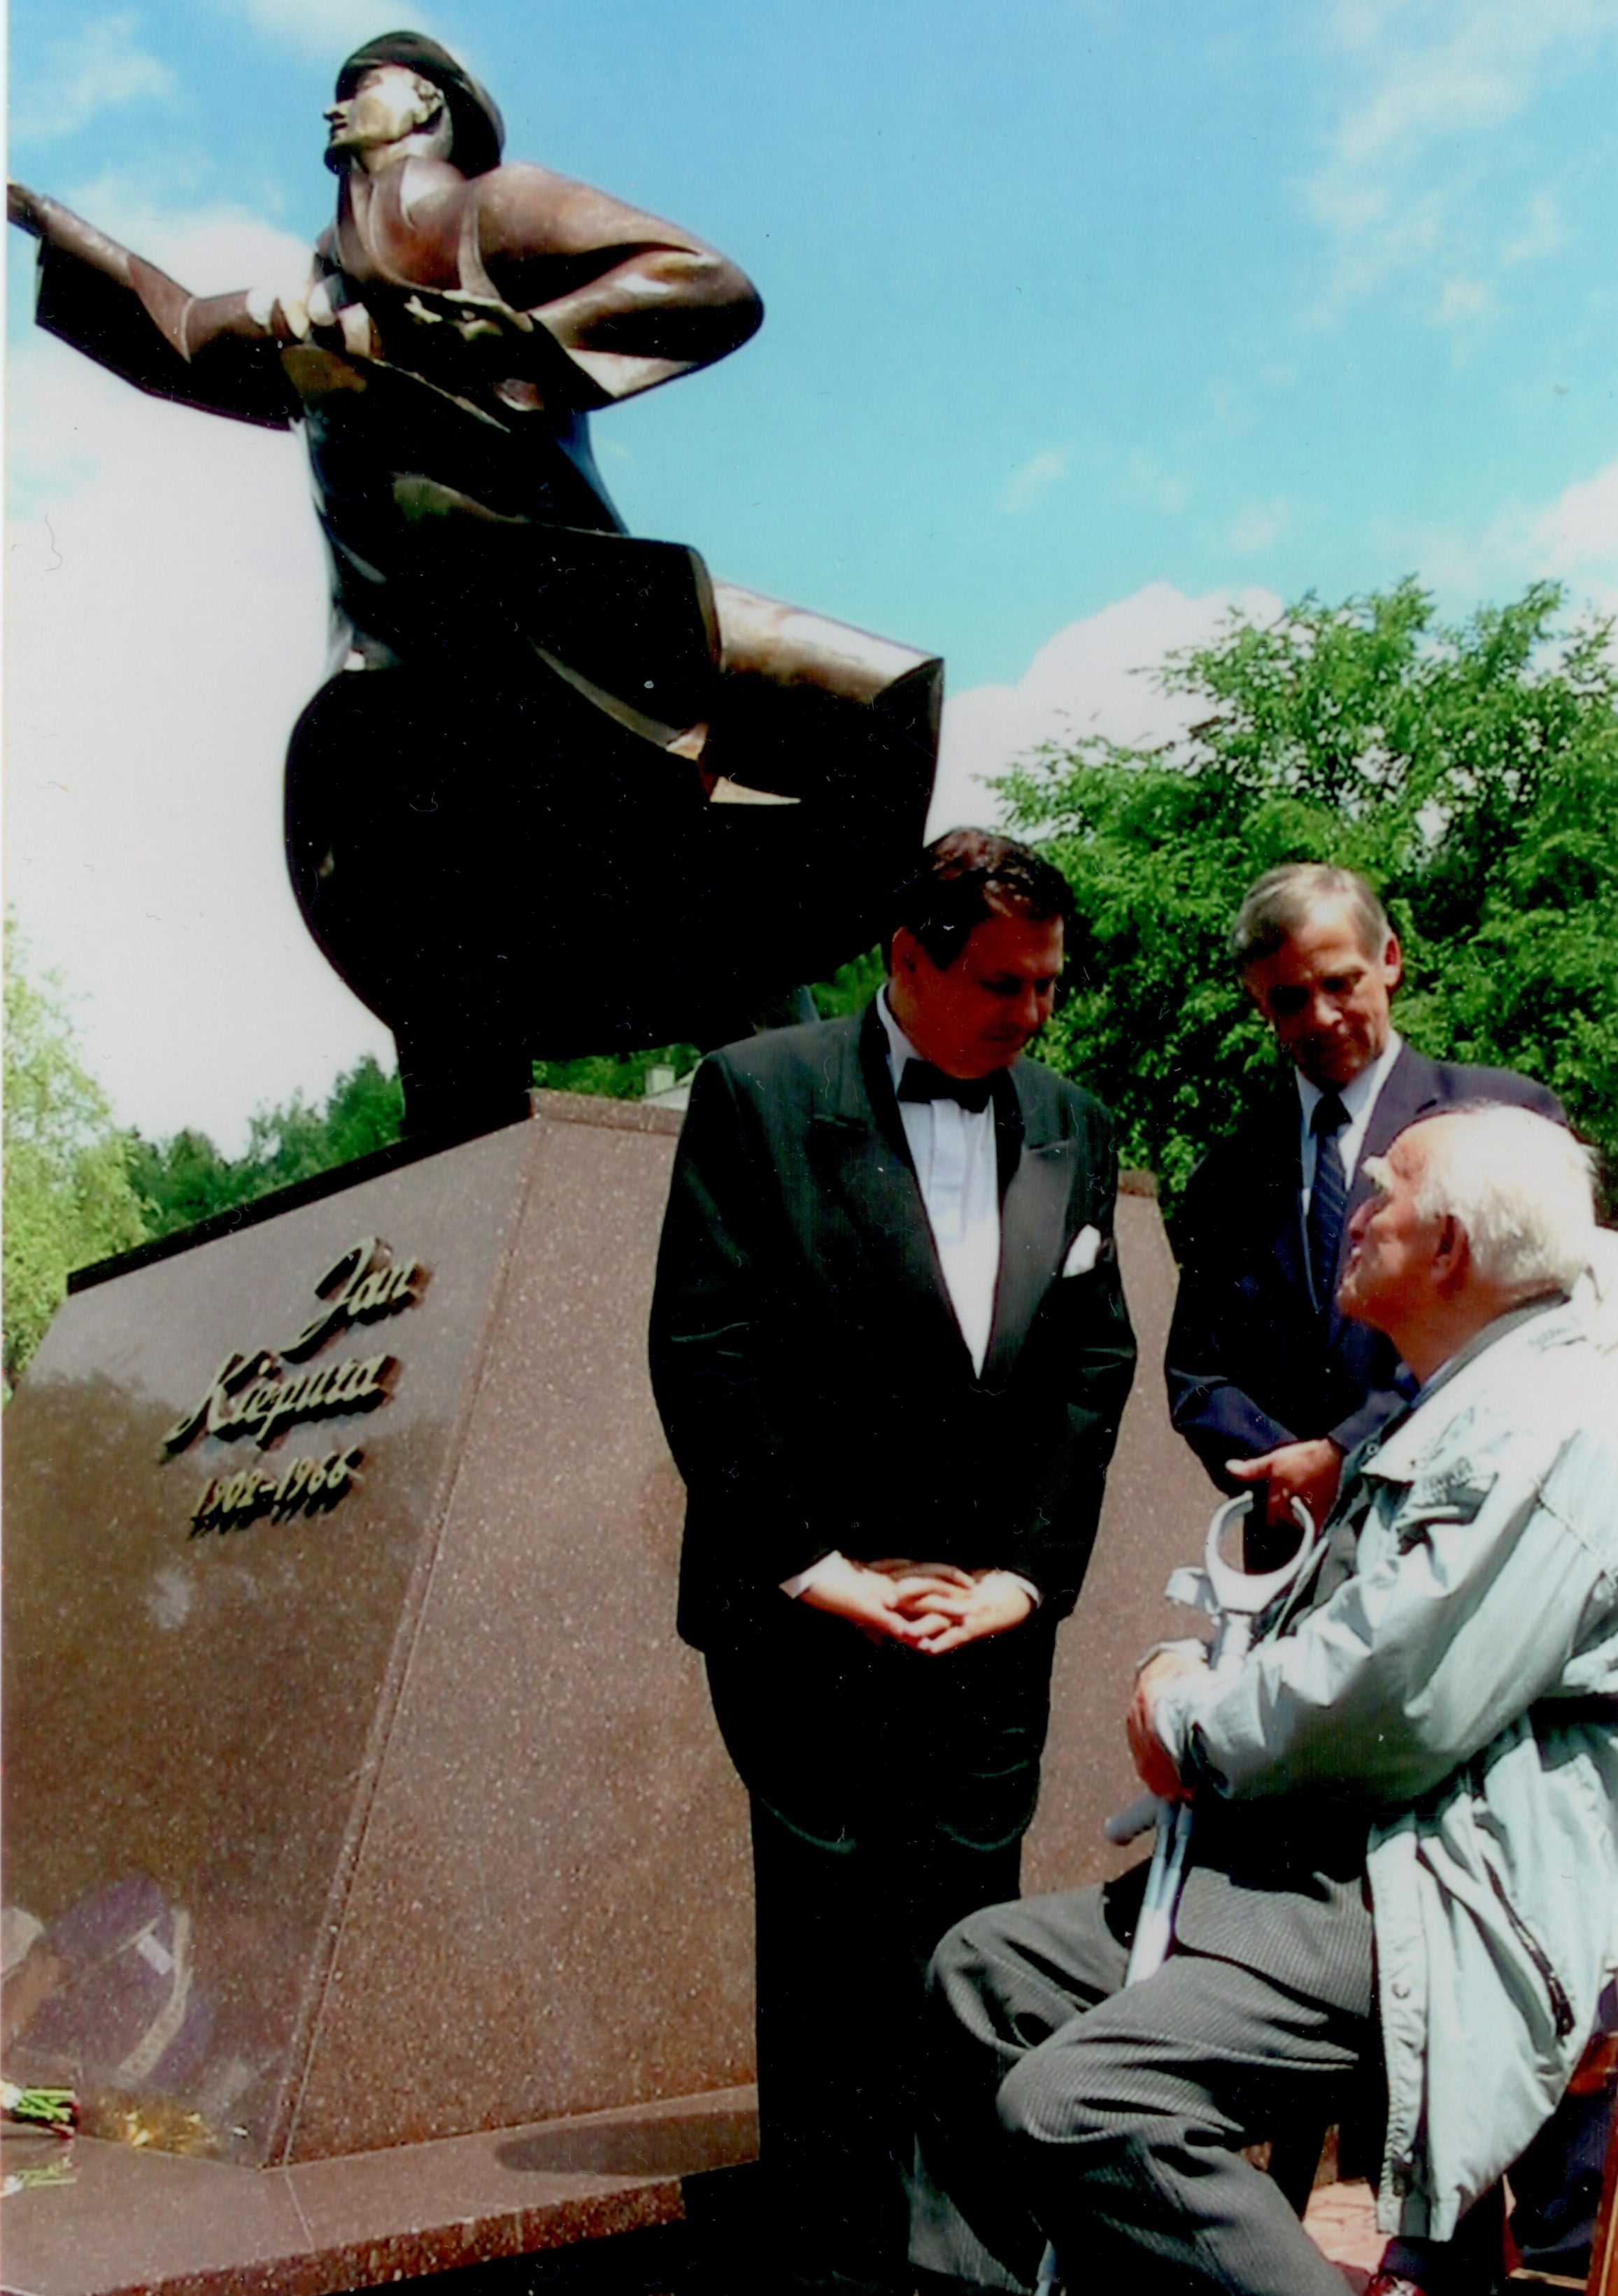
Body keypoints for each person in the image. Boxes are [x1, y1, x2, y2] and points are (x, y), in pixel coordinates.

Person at [8, 35, 942, 1130]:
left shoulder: (496, 211)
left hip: (561, 625)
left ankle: (809, 1106)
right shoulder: (314, 291)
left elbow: (706, 286)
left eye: (366, 87)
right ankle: (462, 1154)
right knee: (429, 895)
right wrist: (53, 225)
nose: (336, 106)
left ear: (433, 108)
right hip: (411, 661)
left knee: (771, 777)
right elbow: (180, 335)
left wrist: (460, 336)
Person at [914, 1103, 1618, 2296]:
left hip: (1430, 1887)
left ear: (1449, 1248)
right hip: (1334, 1850)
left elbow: (1395, 1692)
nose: (1356, 1207)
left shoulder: (1556, 1421)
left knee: (1081, 2101)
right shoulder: (1472, 1392)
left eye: (1385, 1190)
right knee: (984, 1971)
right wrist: (1195, 1678)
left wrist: (1190, 1714)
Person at [648, 829, 1138, 2296]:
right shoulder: (755, 1092)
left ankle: (955, 2266)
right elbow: (705, 1348)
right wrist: (817, 1564)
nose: (1031, 1016)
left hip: (989, 1632)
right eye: (1001, 984)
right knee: (826, 1963)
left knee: (969, 1952)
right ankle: (829, 2259)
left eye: (1050, 986)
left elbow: (1090, 1367)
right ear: (904, 959)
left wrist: (1025, 1579)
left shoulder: (1074, 1121)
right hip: (811, 1623)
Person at [1165, 862, 1561, 1547]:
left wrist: (1347, 1452)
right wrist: (1290, 1467)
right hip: (1292, 1553)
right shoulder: (1226, 1175)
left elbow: (1540, 1330)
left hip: (1466, 1537)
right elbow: (1200, 1374)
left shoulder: (1505, 1122)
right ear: (1260, 1004)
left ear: (1390, 960)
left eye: (1340, 983)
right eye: (1289, 998)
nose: (1321, 1015)